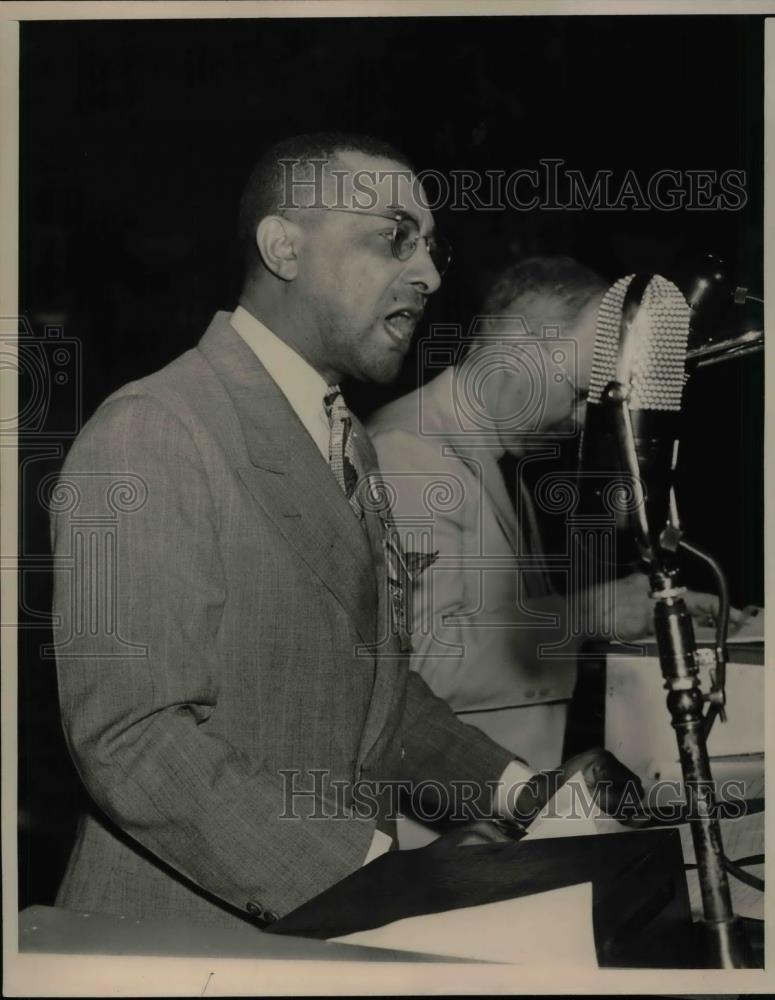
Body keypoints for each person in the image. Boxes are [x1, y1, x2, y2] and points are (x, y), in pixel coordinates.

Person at [50, 136, 641, 931]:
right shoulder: (154, 429)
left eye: (432, 246)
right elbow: (133, 738)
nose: (429, 274)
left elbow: (378, 697)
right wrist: (373, 876)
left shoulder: (345, 440)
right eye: (393, 235)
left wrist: (517, 792)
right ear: (283, 245)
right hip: (192, 938)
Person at [367, 256, 734, 769]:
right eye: (579, 393)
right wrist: (591, 612)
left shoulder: (488, 455)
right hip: (449, 824)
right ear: (520, 348)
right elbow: (428, 664)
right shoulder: (407, 452)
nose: (584, 420)